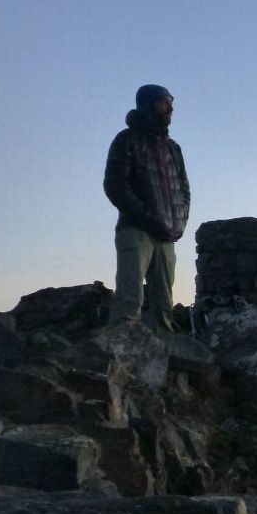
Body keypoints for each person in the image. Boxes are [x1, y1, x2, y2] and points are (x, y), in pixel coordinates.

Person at [103, 84, 191, 333]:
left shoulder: (173, 148)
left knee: (164, 304)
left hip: (167, 236)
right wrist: (147, 217)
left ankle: (166, 359)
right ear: (148, 104)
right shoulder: (126, 139)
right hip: (136, 230)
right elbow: (115, 186)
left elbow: (184, 189)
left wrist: (179, 224)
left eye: (171, 101)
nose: (170, 108)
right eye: (164, 102)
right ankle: (117, 356)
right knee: (130, 298)